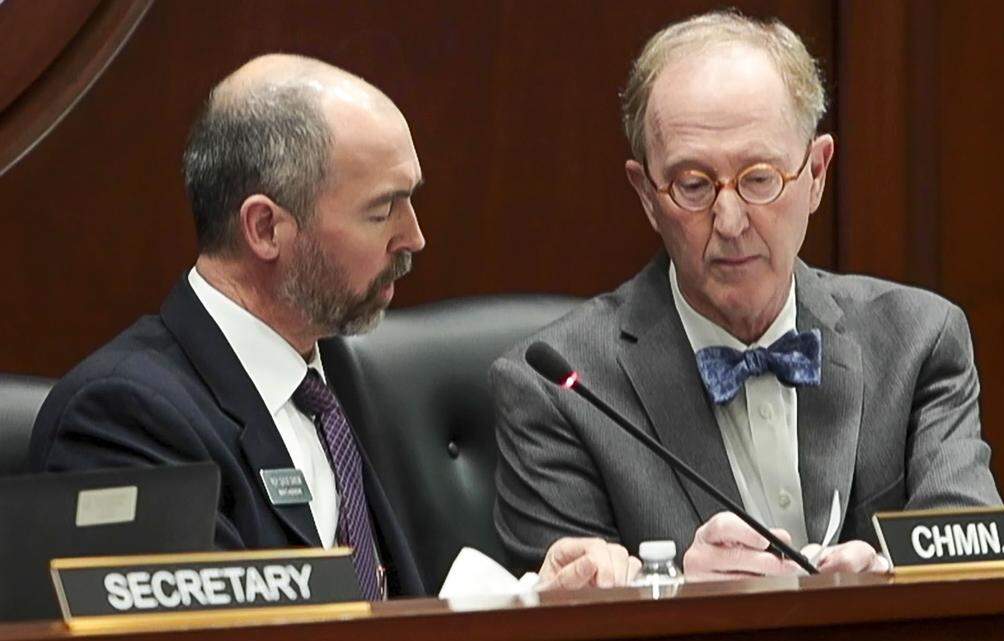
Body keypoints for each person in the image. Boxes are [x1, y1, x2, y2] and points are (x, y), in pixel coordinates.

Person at [28, 54, 638, 597]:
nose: (415, 237)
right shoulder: (120, 417)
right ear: (265, 229)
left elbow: (387, 609)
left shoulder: (333, 382)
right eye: (382, 211)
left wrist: (528, 602)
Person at [492, 11, 1002, 581]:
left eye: (760, 178)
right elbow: (564, 610)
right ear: (646, 194)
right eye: (692, 185)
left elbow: (971, 559)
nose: (730, 221)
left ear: (815, 173)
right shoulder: (561, 388)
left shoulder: (918, 340)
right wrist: (680, 592)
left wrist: (887, 574)